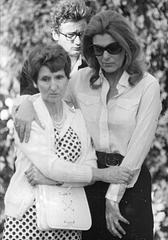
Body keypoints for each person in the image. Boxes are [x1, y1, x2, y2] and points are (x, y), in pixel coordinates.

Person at [13, 10, 162, 240]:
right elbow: (49, 98)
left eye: (113, 48)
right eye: (98, 49)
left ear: (127, 46)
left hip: (129, 183)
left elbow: (138, 149)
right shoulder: (81, 80)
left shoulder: (147, 86)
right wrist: (26, 104)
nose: (105, 56)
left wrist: (113, 197)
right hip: (89, 181)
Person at [3, 43, 132, 240]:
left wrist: (54, 180)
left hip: (68, 218)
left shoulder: (78, 117)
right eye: (45, 79)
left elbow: (87, 164)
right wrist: (102, 174)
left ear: (67, 78)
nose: (53, 86)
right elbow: (50, 165)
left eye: (59, 77)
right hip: (27, 218)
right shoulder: (27, 117)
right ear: (36, 83)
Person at [20, 0, 97, 96]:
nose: (78, 41)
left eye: (82, 34)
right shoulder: (33, 65)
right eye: (70, 35)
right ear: (55, 34)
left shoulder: (92, 70)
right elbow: (27, 106)